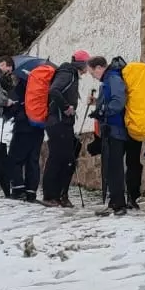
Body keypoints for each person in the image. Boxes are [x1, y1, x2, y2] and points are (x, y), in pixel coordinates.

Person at [89, 56, 141, 215]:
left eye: (92, 73)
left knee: (115, 167)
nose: (93, 76)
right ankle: (115, 202)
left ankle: (118, 204)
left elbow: (118, 101)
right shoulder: (111, 78)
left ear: (99, 68)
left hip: (115, 129)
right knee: (112, 166)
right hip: (112, 129)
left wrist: (103, 111)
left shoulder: (113, 78)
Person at [41, 51, 88, 208]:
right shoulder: (67, 73)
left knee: (66, 158)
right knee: (58, 158)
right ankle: (51, 196)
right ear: (82, 64)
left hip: (62, 123)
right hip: (58, 122)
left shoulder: (71, 74)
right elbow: (54, 90)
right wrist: (66, 106)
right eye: (86, 63)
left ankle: (60, 195)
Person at [4, 54, 49, 201]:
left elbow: (11, 109)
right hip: (39, 126)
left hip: (23, 127)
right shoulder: (42, 88)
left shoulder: (21, 88)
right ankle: (31, 192)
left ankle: (18, 190)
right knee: (33, 160)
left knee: (14, 159)